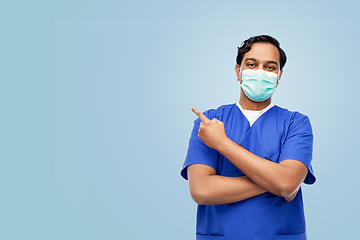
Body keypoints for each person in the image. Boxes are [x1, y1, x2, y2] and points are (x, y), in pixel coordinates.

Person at [181, 35, 315, 240]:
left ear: (279, 75)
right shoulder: (210, 122)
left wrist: (222, 143)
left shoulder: (295, 123)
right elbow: (202, 191)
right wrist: (277, 182)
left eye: (270, 67)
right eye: (252, 64)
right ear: (238, 71)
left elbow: (287, 183)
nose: (260, 72)